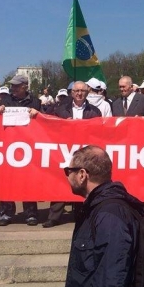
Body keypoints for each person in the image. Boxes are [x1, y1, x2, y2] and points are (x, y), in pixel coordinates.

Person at [64, 145, 144, 287]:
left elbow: (112, 280)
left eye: (69, 171)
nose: (67, 176)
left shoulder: (109, 216)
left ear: (82, 175)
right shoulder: (96, 209)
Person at [44, 81, 102, 228]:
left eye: (82, 91)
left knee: (84, 182)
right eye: (76, 91)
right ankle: (54, 216)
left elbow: (98, 131)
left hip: (84, 153)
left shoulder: (94, 111)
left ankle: (81, 215)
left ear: (87, 92)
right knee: (60, 181)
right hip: (64, 151)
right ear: (72, 93)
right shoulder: (60, 110)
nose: (79, 93)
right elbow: (47, 122)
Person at [0, 74, 42, 226]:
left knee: (28, 180)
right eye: (12, 85)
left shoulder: (36, 102)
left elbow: (45, 120)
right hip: (8, 147)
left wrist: (38, 113)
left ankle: (31, 213)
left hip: (28, 147)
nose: (13, 88)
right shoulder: (6, 100)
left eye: (16, 86)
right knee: (6, 180)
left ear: (25, 86)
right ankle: (6, 213)